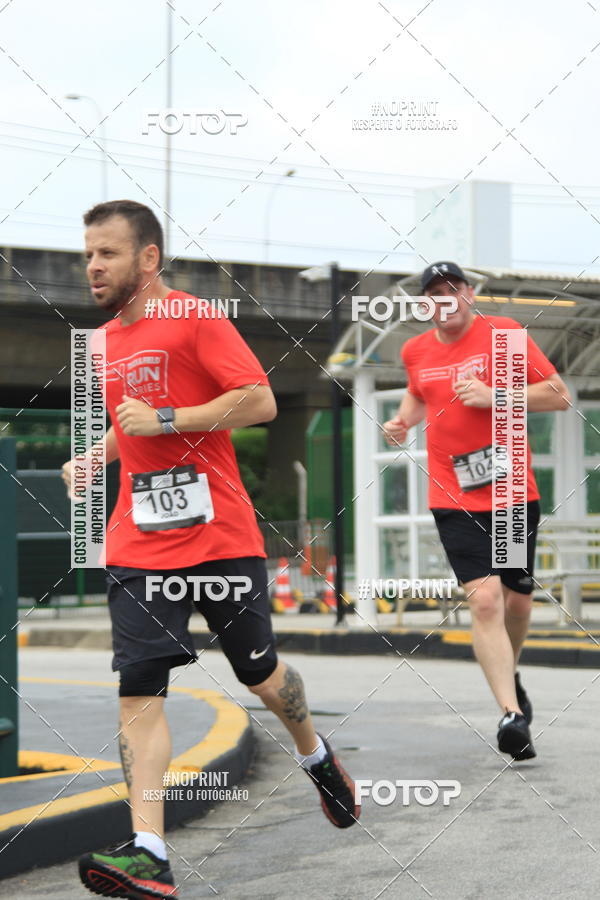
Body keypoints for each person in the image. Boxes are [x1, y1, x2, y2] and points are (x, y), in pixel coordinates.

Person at [63, 200, 359, 900]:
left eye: (108, 253)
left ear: (149, 258)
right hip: (140, 541)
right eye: (87, 254)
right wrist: (96, 455)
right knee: (138, 691)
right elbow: (131, 429)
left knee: (261, 677)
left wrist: (170, 416)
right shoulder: (103, 342)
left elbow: (259, 401)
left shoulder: (195, 318)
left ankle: (315, 755)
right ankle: (149, 851)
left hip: (220, 537)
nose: (94, 266)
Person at [383, 261, 570, 761]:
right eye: (434, 293)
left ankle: (509, 671)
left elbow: (558, 396)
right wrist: (403, 420)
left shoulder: (504, 336)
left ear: (469, 293)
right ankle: (511, 716)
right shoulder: (415, 349)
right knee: (484, 600)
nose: (444, 299)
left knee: (517, 602)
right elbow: (421, 393)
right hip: (453, 494)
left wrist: (495, 396)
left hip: (510, 493)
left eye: (453, 289)